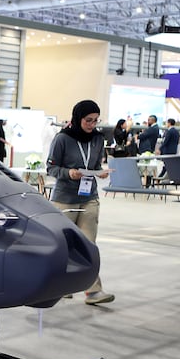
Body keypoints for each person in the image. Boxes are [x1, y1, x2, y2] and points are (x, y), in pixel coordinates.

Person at [46, 99, 113, 306]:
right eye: (88, 120)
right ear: (78, 118)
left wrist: (99, 172)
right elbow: (51, 168)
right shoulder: (62, 139)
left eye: (95, 120)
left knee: (88, 245)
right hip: (64, 199)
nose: (92, 124)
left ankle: (93, 291)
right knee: (63, 246)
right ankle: (64, 285)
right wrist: (69, 173)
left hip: (89, 197)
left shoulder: (98, 139)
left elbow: (94, 164)